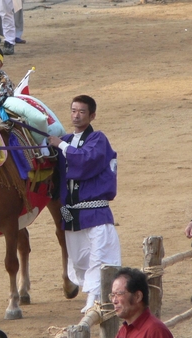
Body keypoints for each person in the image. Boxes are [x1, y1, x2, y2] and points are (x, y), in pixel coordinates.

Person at [48, 95, 121, 313]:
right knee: (79, 259)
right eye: (73, 111)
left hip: (95, 209)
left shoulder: (98, 139)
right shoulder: (66, 139)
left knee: (98, 256)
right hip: (70, 212)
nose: (76, 115)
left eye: (81, 111)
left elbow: (86, 160)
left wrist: (60, 144)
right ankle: (92, 292)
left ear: (92, 115)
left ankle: (94, 299)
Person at [111, 267, 174, 338]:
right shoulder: (123, 331)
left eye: (119, 294)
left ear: (138, 296)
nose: (114, 301)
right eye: (113, 295)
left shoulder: (155, 331)